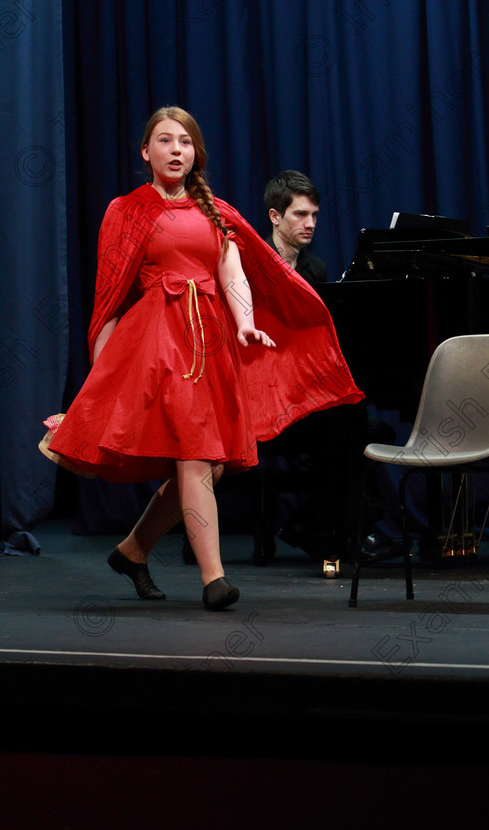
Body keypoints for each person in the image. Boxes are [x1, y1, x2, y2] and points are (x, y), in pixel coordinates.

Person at [39, 108, 364, 610]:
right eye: (164, 141)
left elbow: (232, 272)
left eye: (185, 142)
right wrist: (101, 378)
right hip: (156, 345)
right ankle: (215, 580)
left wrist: (245, 321)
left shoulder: (216, 211)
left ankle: (133, 550)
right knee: (195, 456)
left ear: (196, 154)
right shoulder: (124, 211)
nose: (175, 150)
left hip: (209, 345)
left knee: (208, 468)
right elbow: (109, 298)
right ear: (146, 152)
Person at [261, 170, 368, 566]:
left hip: (299, 385)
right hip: (264, 387)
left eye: (315, 215)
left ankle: (327, 529)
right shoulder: (253, 262)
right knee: (346, 423)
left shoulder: (315, 269)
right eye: (300, 215)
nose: (310, 224)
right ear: (275, 216)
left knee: (355, 417)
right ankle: (325, 530)